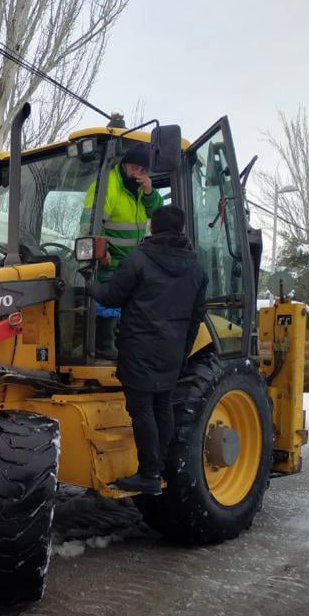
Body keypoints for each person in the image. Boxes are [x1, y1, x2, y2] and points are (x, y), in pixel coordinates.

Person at [83, 205, 208, 495]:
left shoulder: (138, 260)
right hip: (172, 349)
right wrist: (183, 350)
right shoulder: (197, 269)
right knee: (162, 406)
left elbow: (112, 296)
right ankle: (158, 468)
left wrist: (88, 284)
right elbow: (196, 316)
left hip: (139, 348)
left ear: (153, 227)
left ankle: (149, 473)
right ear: (181, 229)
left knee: (141, 409)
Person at [81, 143, 164, 358]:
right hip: (108, 261)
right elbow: (91, 223)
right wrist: (101, 250)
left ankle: (123, 342)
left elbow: (160, 217)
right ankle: (104, 344)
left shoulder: (141, 190)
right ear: (125, 164)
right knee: (108, 298)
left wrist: (149, 192)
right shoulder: (107, 186)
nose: (138, 173)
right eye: (134, 167)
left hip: (131, 261)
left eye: (143, 170)